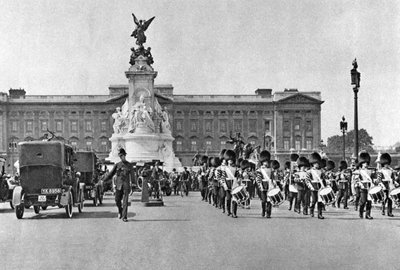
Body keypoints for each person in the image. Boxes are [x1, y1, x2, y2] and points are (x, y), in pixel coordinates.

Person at [103, 148, 134, 222]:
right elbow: (111, 174)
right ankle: (120, 211)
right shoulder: (117, 165)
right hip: (118, 185)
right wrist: (104, 180)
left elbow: (133, 176)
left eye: (122, 155)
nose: (121, 157)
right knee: (117, 200)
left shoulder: (129, 165)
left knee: (125, 201)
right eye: (120, 156)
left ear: (125, 155)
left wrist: (133, 185)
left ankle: (124, 217)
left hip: (126, 185)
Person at [353, 151, 374, 219]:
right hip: (363, 187)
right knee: (363, 201)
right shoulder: (358, 171)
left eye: (367, 162)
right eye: (364, 163)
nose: (366, 164)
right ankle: (361, 212)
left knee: (369, 201)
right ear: (361, 163)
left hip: (369, 187)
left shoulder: (370, 171)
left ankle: (368, 214)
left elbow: (373, 178)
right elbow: (356, 180)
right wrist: (360, 184)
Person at [306, 152, 326, 219]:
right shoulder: (309, 171)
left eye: (318, 163)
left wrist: (325, 185)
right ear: (313, 164)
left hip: (320, 186)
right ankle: (311, 211)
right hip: (313, 186)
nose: (317, 165)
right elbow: (307, 180)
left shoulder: (321, 171)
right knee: (314, 200)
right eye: (316, 163)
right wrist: (310, 187)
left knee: (320, 201)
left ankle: (319, 214)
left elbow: (323, 179)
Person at [377, 153, 397, 217]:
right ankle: (383, 209)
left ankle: (389, 212)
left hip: (390, 185)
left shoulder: (391, 171)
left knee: (390, 199)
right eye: (385, 164)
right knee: (384, 198)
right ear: (383, 164)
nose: (387, 165)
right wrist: (382, 185)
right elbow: (379, 179)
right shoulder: (381, 171)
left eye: (387, 164)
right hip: (384, 185)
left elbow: (393, 178)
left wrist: (394, 182)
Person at [255, 150, 272, 218]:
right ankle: (263, 211)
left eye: (267, 161)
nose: (266, 163)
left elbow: (272, 178)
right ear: (262, 162)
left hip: (269, 185)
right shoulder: (259, 170)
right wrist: (260, 186)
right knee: (263, 200)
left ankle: (268, 213)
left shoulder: (271, 169)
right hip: (263, 185)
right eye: (265, 161)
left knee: (269, 200)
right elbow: (258, 179)